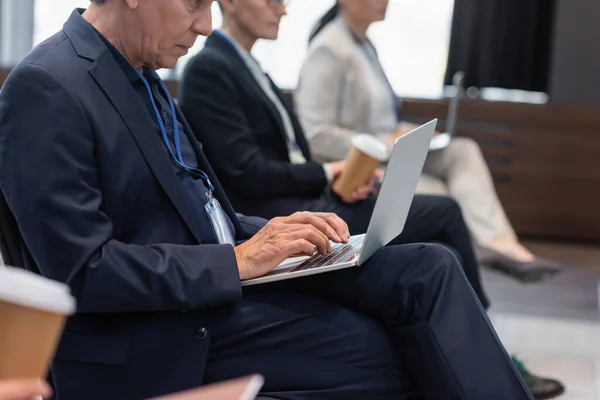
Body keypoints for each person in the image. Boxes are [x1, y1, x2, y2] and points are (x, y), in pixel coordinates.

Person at [0, 1, 534, 399]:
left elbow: (208, 213)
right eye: (194, 3)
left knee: (429, 267)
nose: (206, 24)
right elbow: (83, 271)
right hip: (155, 330)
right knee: (387, 350)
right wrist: (237, 260)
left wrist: (282, 234)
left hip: (209, 291)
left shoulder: (141, 76)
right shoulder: (47, 87)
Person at [178, 0, 491, 309]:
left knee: (443, 245)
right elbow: (248, 174)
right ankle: (482, 333)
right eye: (273, 1)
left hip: (307, 198)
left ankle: (472, 333)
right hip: (280, 212)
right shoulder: (210, 67)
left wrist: (340, 179)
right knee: (444, 218)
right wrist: (329, 173)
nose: (283, 10)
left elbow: (289, 156)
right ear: (230, 3)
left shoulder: (248, 65)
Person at [295, 0, 563, 282]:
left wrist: (413, 131)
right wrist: (389, 141)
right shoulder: (328, 49)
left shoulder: (365, 47)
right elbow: (317, 136)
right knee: (442, 196)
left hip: (389, 151)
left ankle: (501, 244)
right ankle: (471, 277)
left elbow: (381, 120)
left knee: (462, 151)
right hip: (357, 168)